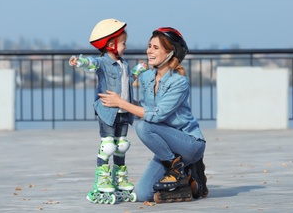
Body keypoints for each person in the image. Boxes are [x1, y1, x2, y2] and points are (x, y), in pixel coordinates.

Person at [98, 27, 208, 203]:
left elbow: (156, 116)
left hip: (189, 144)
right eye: (149, 46)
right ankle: (187, 178)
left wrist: (121, 103)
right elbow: (145, 108)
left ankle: (181, 167)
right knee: (142, 195)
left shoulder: (179, 82)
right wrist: (118, 102)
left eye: (156, 48)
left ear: (170, 52)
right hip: (168, 150)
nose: (149, 51)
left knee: (143, 126)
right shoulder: (146, 77)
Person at [69, 18, 147, 204]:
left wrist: (139, 70)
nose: (126, 47)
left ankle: (120, 177)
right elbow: (91, 64)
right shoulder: (103, 63)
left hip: (123, 112)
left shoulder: (124, 65)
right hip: (108, 111)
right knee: (108, 145)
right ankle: (102, 178)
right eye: (123, 43)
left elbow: (128, 80)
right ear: (111, 45)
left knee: (121, 146)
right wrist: (79, 62)